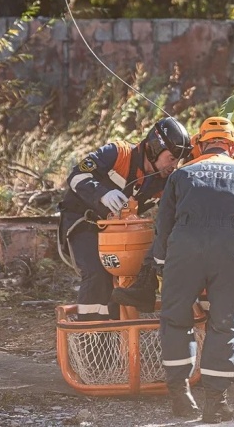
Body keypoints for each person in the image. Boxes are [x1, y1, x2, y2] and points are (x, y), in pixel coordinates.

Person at [113, 92, 234, 311]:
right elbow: (182, 181)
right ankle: (146, 284)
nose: (223, 145)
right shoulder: (199, 144)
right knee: (166, 225)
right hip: (199, 209)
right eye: (218, 140)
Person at [153, 116, 234, 422]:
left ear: (200, 144)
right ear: (232, 145)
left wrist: (163, 261)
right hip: (231, 247)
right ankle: (216, 402)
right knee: (225, 322)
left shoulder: (181, 174)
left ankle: (180, 395)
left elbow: (163, 222)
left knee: (176, 319)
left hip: (184, 246)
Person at [58, 117, 192, 321]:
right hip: (82, 222)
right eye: (172, 158)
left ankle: (114, 337)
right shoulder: (118, 153)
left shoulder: (163, 182)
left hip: (119, 231)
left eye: (178, 161)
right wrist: (101, 194)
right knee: (98, 272)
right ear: (155, 147)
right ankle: (90, 337)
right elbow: (76, 176)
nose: (174, 166)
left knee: (128, 277)